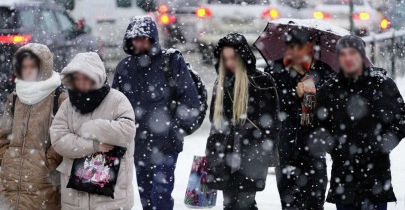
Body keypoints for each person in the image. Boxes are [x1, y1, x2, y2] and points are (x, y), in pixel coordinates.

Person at [112, 16, 200, 210]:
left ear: (153, 38)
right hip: (137, 145)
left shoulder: (171, 61)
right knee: (146, 198)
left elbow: (190, 100)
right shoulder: (124, 68)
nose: (140, 43)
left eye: (144, 38)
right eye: (135, 39)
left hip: (166, 145)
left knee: (160, 196)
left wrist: (176, 130)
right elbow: (114, 106)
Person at [315, 35, 405, 210]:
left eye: (353, 53)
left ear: (362, 55)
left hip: (376, 173)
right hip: (343, 173)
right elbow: (318, 124)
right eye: (343, 54)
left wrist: (383, 144)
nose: (348, 58)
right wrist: (334, 146)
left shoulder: (381, 84)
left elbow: (401, 118)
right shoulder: (330, 88)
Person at [50, 52, 136, 209]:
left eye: (86, 78)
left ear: (97, 77)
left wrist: (92, 128)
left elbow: (127, 132)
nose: (81, 83)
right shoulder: (67, 105)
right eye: (77, 78)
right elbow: (58, 139)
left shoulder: (117, 100)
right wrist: (92, 146)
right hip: (74, 196)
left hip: (111, 195)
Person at [205, 33, 281, 210]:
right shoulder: (222, 82)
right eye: (225, 59)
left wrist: (261, 142)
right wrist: (211, 153)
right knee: (229, 203)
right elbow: (215, 122)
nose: (229, 63)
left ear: (243, 57)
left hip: (251, 154)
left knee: (246, 202)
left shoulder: (261, 82)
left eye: (233, 58)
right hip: (225, 153)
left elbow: (273, 122)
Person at [265, 28, 334, 210]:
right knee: (289, 205)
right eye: (291, 47)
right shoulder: (275, 71)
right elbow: (270, 106)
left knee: (314, 203)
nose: (295, 52)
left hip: (314, 150)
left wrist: (313, 96)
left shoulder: (323, 72)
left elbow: (331, 110)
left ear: (310, 47)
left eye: (300, 47)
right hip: (285, 150)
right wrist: (292, 95)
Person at [0, 43, 67, 209]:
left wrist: (46, 162)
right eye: (24, 66)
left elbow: (65, 137)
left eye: (33, 66)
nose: (28, 70)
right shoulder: (15, 96)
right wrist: (7, 158)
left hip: (44, 185)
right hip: (12, 183)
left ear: (43, 67)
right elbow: (3, 135)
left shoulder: (59, 97)